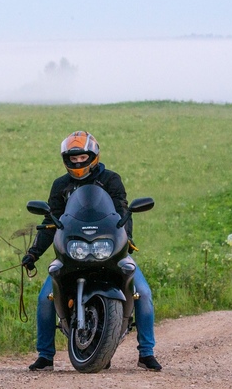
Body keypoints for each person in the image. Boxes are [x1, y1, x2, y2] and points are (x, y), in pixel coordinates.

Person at [21, 130, 162, 372]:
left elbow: (122, 212)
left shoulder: (111, 180)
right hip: (72, 251)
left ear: (93, 156)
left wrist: (125, 239)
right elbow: (50, 221)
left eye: (82, 158)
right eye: (72, 159)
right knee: (46, 298)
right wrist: (34, 252)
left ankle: (146, 353)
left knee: (144, 294)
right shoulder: (61, 185)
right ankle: (45, 356)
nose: (77, 163)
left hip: (109, 248)